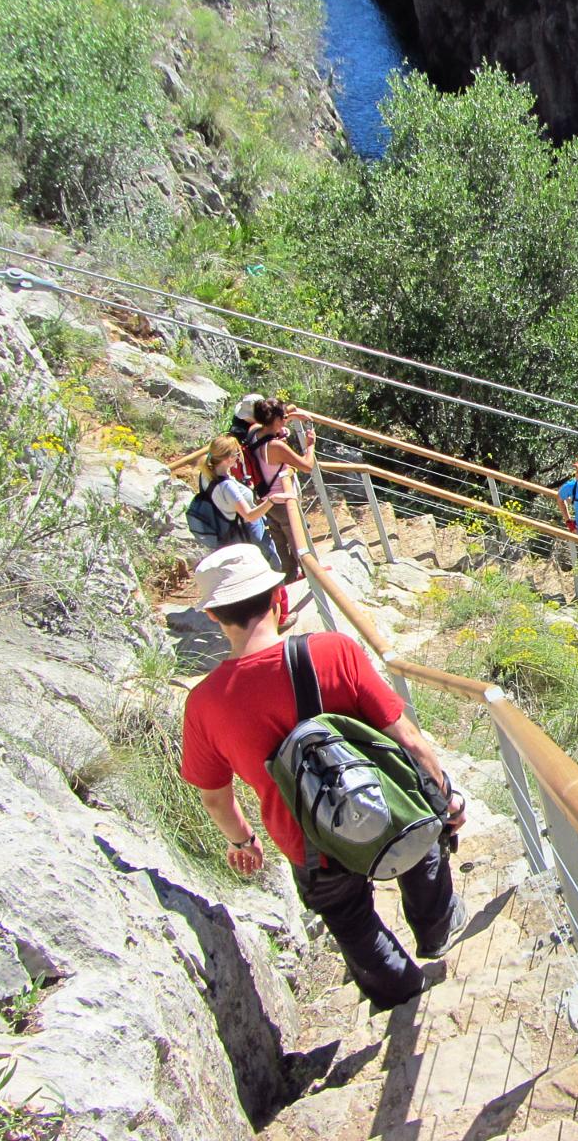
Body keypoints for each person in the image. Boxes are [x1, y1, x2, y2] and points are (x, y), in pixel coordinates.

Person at [180, 545, 468, 1011]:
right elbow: (408, 738)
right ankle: (437, 935)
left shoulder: (205, 704)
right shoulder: (332, 651)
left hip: (308, 844)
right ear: (279, 598)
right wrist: (445, 797)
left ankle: (406, 998)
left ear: (213, 617)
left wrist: (242, 841)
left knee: (350, 920)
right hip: (384, 809)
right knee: (421, 850)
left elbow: (215, 798)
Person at [245, 397, 316, 583]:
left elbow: (272, 424)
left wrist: (291, 415)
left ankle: (288, 577)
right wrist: (310, 445)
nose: (286, 419)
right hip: (283, 501)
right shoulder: (276, 446)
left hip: (266, 500)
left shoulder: (253, 432)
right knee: (297, 539)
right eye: (283, 417)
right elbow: (307, 466)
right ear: (276, 420)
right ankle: (311, 573)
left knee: (279, 540)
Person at [197, 436, 283, 570]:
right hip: (249, 532)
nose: (238, 457)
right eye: (236, 454)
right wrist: (272, 500)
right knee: (272, 568)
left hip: (232, 533)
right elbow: (249, 515)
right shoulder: (227, 486)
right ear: (228, 458)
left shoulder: (206, 476)